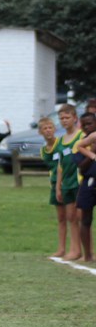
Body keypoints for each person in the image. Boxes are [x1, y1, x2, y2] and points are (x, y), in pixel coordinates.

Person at [55, 103, 84, 260]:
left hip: (79, 182)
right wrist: (58, 186)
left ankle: (84, 250)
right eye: (61, 118)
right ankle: (74, 249)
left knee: (81, 217)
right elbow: (60, 165)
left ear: (75, 118)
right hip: (67, 183)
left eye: (67, 118)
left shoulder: (82, 136)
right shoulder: (60, 140)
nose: (64, 121)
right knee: (70, 216)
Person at [40, 117, 69, 258]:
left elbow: (66, 163)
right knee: (61, 218)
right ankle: (62, 248)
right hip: (53, 185)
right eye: (44, 128)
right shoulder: (43, 150)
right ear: (40, 132)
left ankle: (77, 249)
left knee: (74, 217)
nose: (48, 131)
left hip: (66, 184)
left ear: (55, 129)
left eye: (50, 127)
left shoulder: (62, 144)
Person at [70, 112, 96, 262]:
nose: (87, 127)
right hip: (89, 182)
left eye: (90, 123)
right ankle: (88, 255)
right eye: (84, 124)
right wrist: (92, 153)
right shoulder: (82, 143)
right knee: (86, 219)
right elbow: (81, 167)